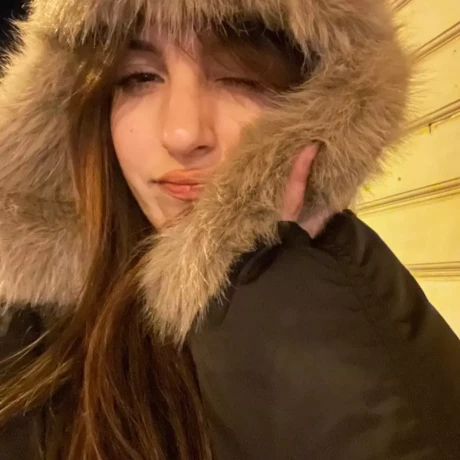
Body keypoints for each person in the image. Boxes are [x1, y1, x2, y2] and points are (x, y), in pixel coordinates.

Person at [0, 0, 459, 459]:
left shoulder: (359, 309)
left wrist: (275, 286)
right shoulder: (28, 341)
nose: (183, 134)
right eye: (138, 77)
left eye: (240, 77)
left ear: (323, 102)